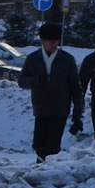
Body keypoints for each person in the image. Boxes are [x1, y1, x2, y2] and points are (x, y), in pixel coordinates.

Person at [17, 22, 81, 162]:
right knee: (39, 145)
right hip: (41, 108)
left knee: (53, 145)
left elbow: (76, 88)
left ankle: (50, 171)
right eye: (50, 41)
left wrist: (77, 114)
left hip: (60, 108)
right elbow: (22, 81)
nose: (54, 44)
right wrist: (37, 80)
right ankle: (40, 167)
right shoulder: (33, 59)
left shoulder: (67, 59)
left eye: (56, 41)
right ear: (42, 41)